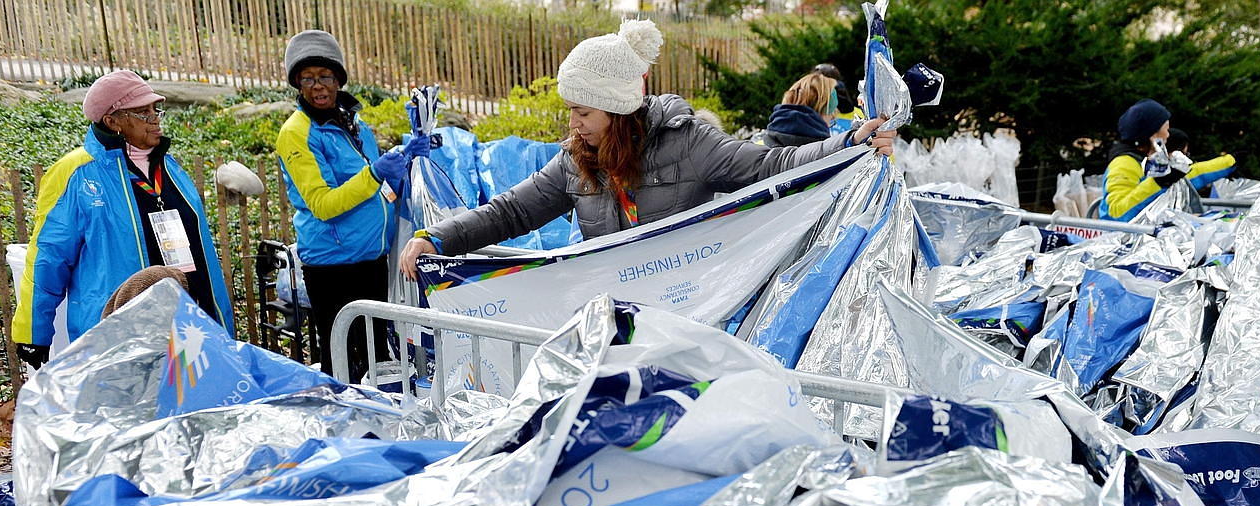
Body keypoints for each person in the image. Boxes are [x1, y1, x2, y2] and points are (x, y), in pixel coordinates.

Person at [399, 20, 894, 274]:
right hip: (616, 319)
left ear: (617, 110)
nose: (573, 125)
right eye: (570, 110)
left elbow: (772, 164)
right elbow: (509, 213)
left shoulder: (690, 142)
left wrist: (849, 141)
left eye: (583, 112)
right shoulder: (576, 161)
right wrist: (436, 238)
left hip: (691, 314)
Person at [11, 71, 232, 368]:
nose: (155, 118)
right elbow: (48, 258)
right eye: (143, 112)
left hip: (190, 319)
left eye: (156, 109)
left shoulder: (169, 166)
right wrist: (33, 332)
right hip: (120, 331)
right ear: (112, 121)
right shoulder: (77, 174)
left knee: (193, 401)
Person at [276, 29, 422, 379]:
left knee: (374, 356)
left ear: (338, 79)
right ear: (297, 83)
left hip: (371, 258)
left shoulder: (355, 125)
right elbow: (323, 204)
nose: (318, 86)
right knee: (341, 359)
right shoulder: (297, 132)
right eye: (307, 78)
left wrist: (407, 165)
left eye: (325, 76)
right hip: (332, 265)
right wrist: (375, 173)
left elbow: (380, 189)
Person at [1100, 99, 1235, 222]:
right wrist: (1158, 183)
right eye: (1166, 129)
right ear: (1152, 134)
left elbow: (1189, 174)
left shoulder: (1148, 159)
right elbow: (1117, 213)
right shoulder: (1124, 163)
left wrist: (1229, 163)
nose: (1168, 135)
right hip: (1125, 243)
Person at [764, 73, 838, 148]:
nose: (833, 117)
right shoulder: (826, 151)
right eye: (832, 113)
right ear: (821, 110)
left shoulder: (764, 143)